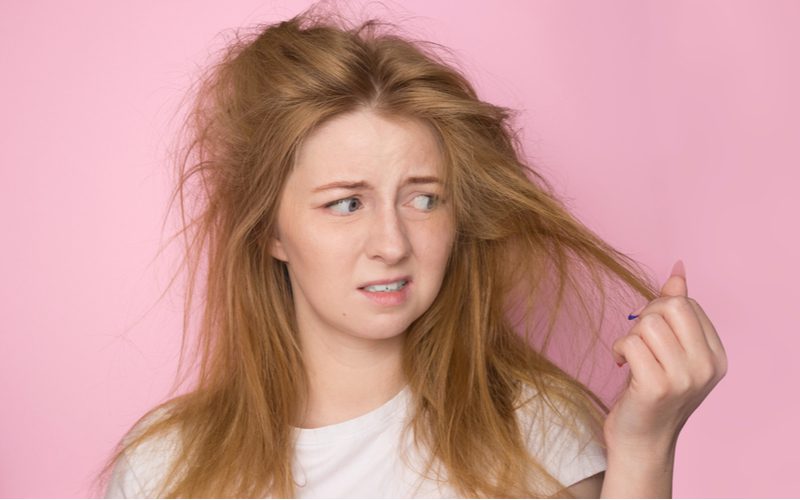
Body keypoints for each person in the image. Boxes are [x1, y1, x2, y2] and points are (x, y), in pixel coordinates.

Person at [100, 5, 727, 498]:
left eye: (423, 199)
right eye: (346, 203)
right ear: (270, 231)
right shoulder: (164, 467)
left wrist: (647, 448)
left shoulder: (535, 429)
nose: (393, 244)